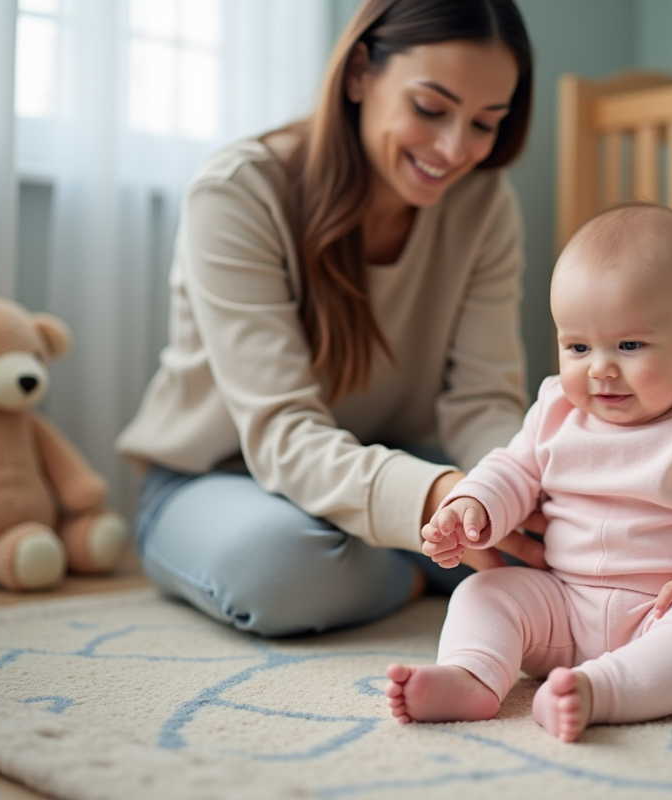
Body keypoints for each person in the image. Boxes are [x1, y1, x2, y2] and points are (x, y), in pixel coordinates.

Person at [115, 0, 545, 638]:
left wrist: (516, 491)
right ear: (359, 74)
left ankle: (403, 549)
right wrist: (431, 500)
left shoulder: (484, 205)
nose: (455, 149)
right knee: (279, 569)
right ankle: (418, 571)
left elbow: (482, 400)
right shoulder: (238, 192)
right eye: (430, 108)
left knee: (557, 540)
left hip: (394, 461)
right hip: (220, 478)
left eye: (486, 123)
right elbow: (282, 430)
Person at [385, 203, 672, 742]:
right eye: (578, 346)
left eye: (629, 345)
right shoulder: (557, 407)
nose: (600, 368)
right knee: (483, 593)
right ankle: (471, 677)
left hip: (667, 607)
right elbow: (513, 468)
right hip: (561, 605)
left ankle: (600, 691)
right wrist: (474, 506)